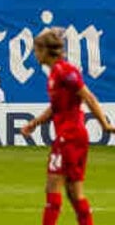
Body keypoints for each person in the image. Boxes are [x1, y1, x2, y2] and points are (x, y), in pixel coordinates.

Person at [20, 28, 115, 225]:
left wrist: (104, 124)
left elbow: (88, 96)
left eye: (36, 50)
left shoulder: (65, 72)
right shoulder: (55, 74)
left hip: (70, 137)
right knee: (74, 193)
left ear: (45, 51)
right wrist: (34, 123)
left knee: (52, 188)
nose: (35, 54)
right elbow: (56, 108)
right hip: (71, 137)